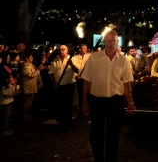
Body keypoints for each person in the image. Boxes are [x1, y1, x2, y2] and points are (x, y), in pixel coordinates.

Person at [81, 30, 136, 162]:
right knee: (96, 133)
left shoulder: (123, 60)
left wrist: (130, 102)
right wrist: (84, 101)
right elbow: (87, 81)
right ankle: (98, 158)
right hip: (97, 100)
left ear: (117, 42)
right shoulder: (94, 58)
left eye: (114, 41)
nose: (111, 44)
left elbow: (126, 84)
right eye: (108, 41)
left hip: (115, 101)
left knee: (114, 134)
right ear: (104, 42)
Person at [49, 45, 80, 131]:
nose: (62, 51)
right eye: (60, 50)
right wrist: (54, 83)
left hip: (69, 85)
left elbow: (77, 70)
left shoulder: (72, 59)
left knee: (68, 104)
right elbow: (51, 73)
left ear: (67, 50)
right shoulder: (56, 61)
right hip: (59, 86)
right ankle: (60, 122)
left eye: (63, 49)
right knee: (59, 104)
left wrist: (71, 64)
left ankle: (67, 123)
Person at [20, 52, 44, 120]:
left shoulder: (30, 64)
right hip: (28, 86)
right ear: (27, 59)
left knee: (29, 101)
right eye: (30, 57)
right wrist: (38, 70)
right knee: (26, 101)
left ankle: (28, 114)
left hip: (31, 85)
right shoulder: (25, 66)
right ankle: (25, 115)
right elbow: (30, 74)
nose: (32, 58)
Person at [74, 44, 91, 117]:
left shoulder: (90, 56)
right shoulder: (75, 57)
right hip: (79, 78)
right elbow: (74, 68)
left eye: (86, 48)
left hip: (88, 78)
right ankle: (82, 111)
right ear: (80, 49)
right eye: (83, 48)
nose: (85, 50)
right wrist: (76, 75)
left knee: (89, 94)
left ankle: (89, 110)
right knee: (81, 94)